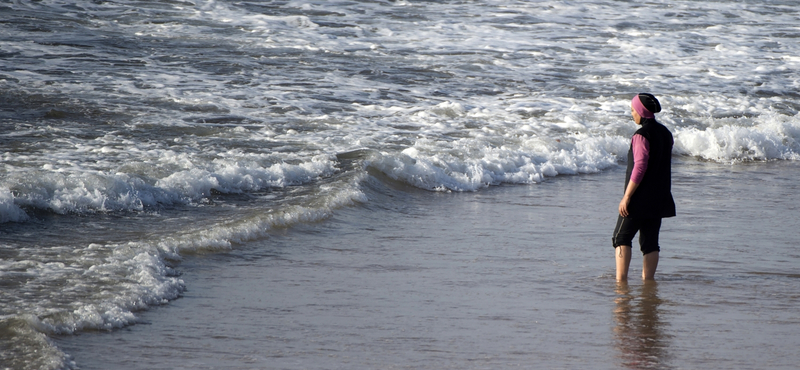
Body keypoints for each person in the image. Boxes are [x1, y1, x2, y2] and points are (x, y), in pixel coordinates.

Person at [612, 93, 676, 281]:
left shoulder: (641, 135)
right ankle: (648, 283)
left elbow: (640, 166)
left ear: (641, 111)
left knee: (620, 238)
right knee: (650, 243)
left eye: (633, 110)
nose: (632, 114)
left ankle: (621, 282)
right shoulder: (666, 133)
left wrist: (627, 196)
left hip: (639, 198)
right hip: (660, 196)